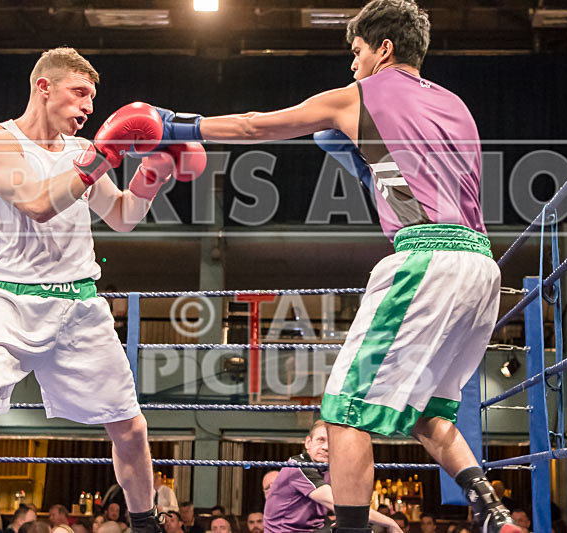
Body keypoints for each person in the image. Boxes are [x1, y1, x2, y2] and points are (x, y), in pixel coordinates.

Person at [146, 1, 514, 531]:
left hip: (427, 257)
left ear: (383, 48)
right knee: (430, 413)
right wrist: (370, 173)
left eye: (357, 51)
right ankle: (493, 510)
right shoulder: (458, 105)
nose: (353, 63)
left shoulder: (360, 94)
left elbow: (256, 127)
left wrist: (178, 126)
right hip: (482, 268)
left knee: (342, 410)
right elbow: (438, 184)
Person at [0, 47, 172, 533]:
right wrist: (99, 160)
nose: (90, 107)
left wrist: (157, 173)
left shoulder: (82, 151)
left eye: (94, 98)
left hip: (80, 303)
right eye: (80, 93)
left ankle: (146, 523)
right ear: (44, 87)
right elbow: (36, 202)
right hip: (12, 300)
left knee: (131, 429)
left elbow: (123, 216)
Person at [263, 420, 400, 533]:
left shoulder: (333, 468)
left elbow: (354, 502)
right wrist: (390, 522)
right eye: (321, 440)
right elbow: (343, 506)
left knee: (363, 528)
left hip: (315, 530)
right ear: (308, 443)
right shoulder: (297, 466)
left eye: (332, 442)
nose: (326, 447)